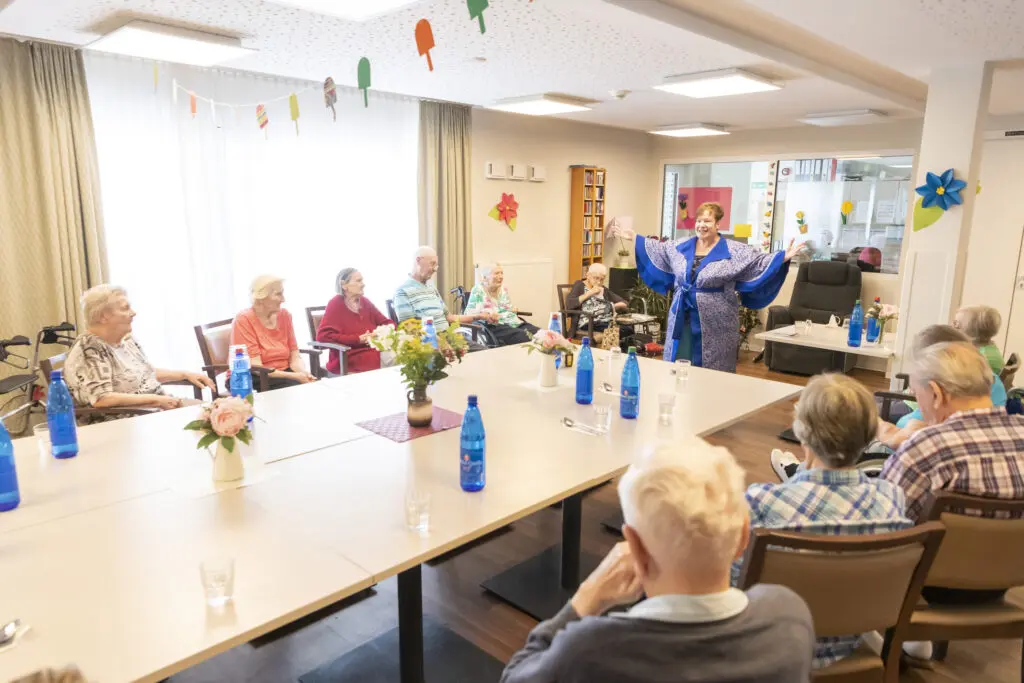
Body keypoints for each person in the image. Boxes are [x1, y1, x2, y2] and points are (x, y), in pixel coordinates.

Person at [500, 440, 815, 683]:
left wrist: (587, 597)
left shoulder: (589, 650)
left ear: (634, 546)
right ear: (744, 535)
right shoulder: (789, 617)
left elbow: (515, 677)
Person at [740, 374, 911, 669]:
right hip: (850, 643)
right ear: (869, 435)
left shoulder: (761, 503)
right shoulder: (891, 499)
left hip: (770, 652)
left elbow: (733, 588)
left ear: (801, 431)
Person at [881, 342, 1024, 612]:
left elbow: (884, 524)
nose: (919, 405)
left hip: (928, 584)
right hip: (1008, 578)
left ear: (936, 393)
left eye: (916, 395)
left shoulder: (929, 446)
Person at [608, 202, 805, 373]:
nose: (702, 225)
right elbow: (658, 249)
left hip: (717, 320)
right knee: (680, 359)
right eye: (699, 221)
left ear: (718, 224)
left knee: (713, 364)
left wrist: (783, 257)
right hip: (682, 314)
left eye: (708, 221)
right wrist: (635, 237)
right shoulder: (681, 245)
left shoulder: (734, 250)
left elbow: (758, 262)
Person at [64, 285, 214, 414]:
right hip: (127, 419)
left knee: (218, 412)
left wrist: (184, 374)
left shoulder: (126, 340)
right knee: (210, 418)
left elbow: (144, 373)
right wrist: (157, 400)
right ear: (104, 317)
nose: (133, 313)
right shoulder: (90, 349)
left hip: (155, 410)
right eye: (125, 308)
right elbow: (102, 398)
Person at [876, 325, 1007, 450]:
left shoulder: (928, 446)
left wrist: (879, 427)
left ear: (936, 394)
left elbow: (902, 442)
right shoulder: (983, 376)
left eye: (916, 391)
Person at [393, 246, 490, 350]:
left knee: (485, 353)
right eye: (432, 264)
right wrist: (438, 341)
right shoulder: (402, 291)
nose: (435, 269)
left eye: (436, 265)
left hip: (449, 338)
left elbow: (450, 317)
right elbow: (410, 329)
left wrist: (479, 316)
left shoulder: (431, 288)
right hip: (427, 344)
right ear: (418, 260)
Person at [231, 275, 316, 391]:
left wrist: (304, 373)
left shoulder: (285, 315)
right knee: (298, 392)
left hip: (284, 374)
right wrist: (295, 376)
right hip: (252, 376)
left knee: (315, 386)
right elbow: (256, 367)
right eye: (278, 294)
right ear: (261, 298)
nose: (283, 299)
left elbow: (294, 356)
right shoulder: (243, 319)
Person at [316, 268, 391, 375]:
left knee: (408, 355)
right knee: (402, 360)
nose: (363, 284)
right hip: (350, 359)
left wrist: (380, 333)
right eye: (358, 281)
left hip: (375, 352)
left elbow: (387, 323)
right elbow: (323, 336)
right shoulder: (335, 304)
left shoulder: (365, 302)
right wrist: (357, 339)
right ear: (344, 285)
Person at [465, 263, 538, 346]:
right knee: (526, 337)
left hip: (514, 323)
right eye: (496, 273)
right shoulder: (478, 289)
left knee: (540, 334)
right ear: (485, 278)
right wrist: (488, 316)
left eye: (501, 273)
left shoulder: (503, 289)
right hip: (495, 326)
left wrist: (513, 309)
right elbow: (470, 314)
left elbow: (507, 307)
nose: (501, 276)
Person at [565, 262, 628, 344]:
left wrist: (613, 306)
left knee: (628, 329)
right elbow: (569, 304)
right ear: (588, 275)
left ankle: (600, 341)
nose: (599, 282)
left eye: (602, 279)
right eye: (596, 278)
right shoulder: (579, 285)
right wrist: (590, 293)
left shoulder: (603, 289)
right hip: (589, 322)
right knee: (620, 331)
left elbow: (624, 302)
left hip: (605, 321)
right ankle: (593, 341)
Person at [954, 304, 1004, 376]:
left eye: (957, 324)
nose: (952, 326)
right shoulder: (986, 349)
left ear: (972, 332)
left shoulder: (983, 358)